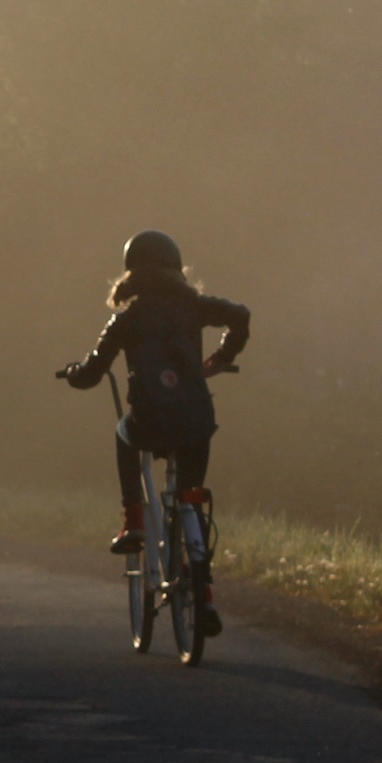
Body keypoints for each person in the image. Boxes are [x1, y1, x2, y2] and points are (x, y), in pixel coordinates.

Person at [58, 230, 249, 637]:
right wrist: (222, 356)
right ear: (177, 268)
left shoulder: (126, 320)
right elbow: (240, 315)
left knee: (122, 433)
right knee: (191, 500)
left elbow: (92, 373)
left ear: (132, 273)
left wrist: (74, 372)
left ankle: (133, 520)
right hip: (196, 422)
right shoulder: (194, 307)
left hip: (149, 423)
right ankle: (205, 596)